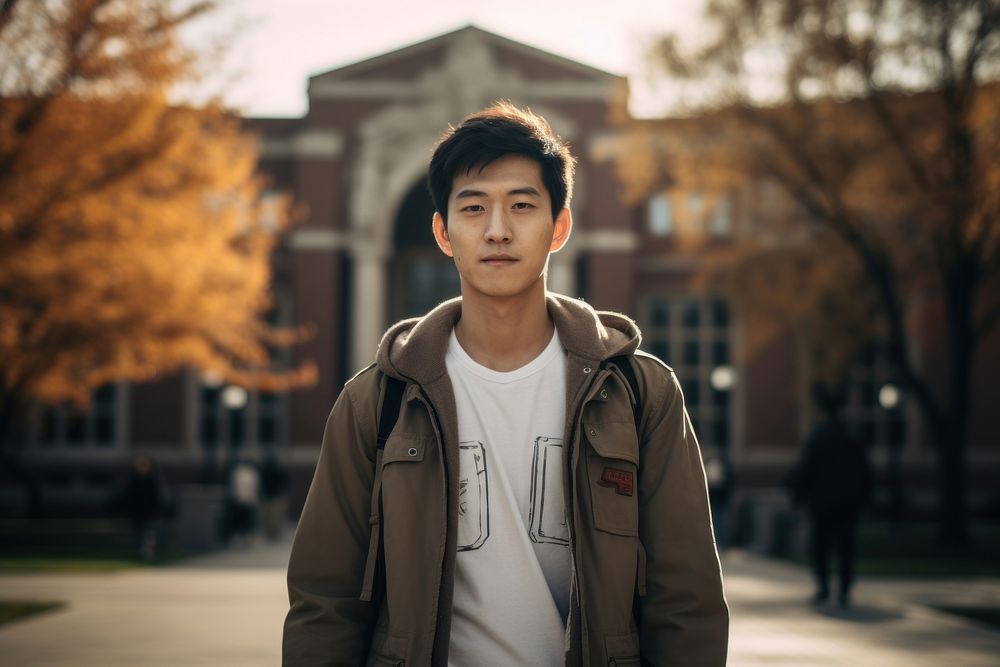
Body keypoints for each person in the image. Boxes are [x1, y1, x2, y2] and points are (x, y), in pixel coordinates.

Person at [283, 102, 729, 665]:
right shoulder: (376, 402)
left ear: (559, 226)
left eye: (522, 205)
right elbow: (325, 602)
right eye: (474, 208)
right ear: (444, 232)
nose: (497, 230)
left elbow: (687, 605)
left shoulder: (641, 395)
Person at [788, 384, 874, 609]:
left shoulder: (819, 437)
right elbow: (864, 471)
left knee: (821, 546)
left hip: (823, 502)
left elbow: (805, 468)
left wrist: (798, 495)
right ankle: (843, 589)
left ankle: (824, 586)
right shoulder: (851, 437)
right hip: (847, 502)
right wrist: (865, 498)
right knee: (846, 546)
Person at [122, 454, 166, 561]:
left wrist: (156, 511)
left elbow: (156, 497)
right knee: (138, 534)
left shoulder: (152, 480)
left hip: (149, 513)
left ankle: (147, 552)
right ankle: (140, 552)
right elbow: (129, 497)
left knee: (149, 534)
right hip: (137, 513)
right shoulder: (134, 480)